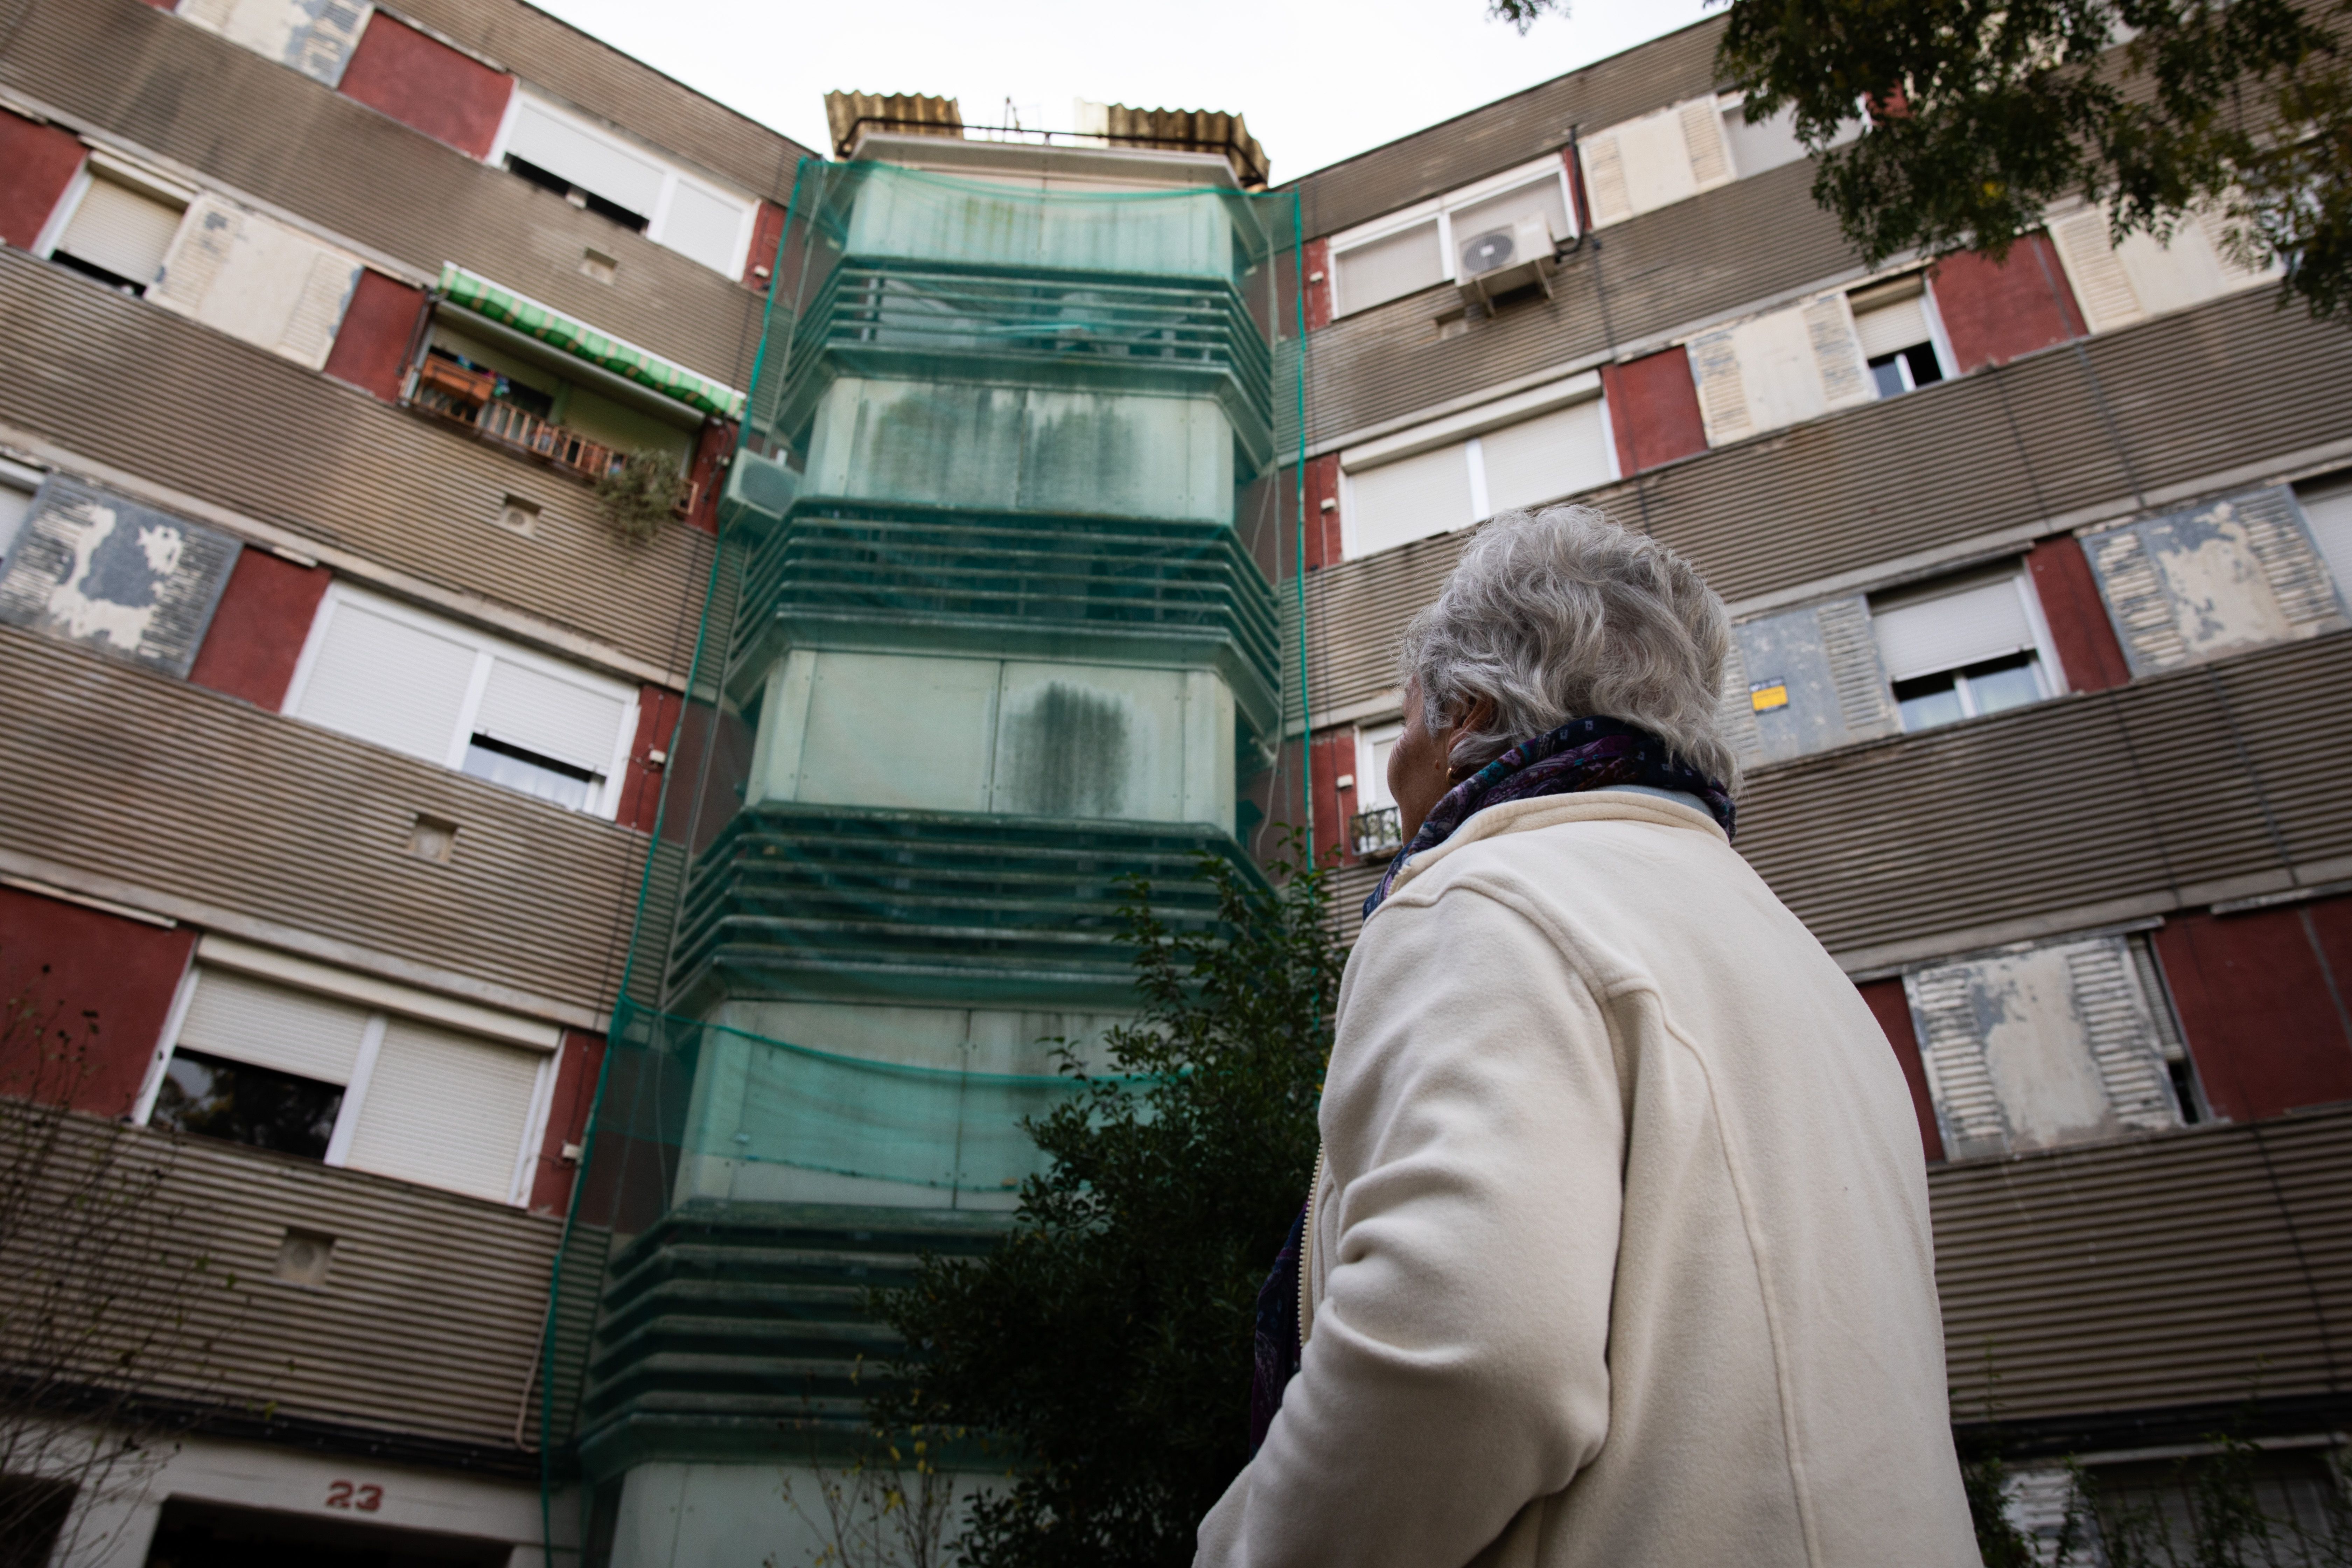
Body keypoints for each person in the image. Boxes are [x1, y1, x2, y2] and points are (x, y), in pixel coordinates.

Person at [1197, 506, 1977, 1567]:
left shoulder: (1485, 897)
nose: (1394, 774)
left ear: (1467, 707)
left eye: (1403, 728)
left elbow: (1472, 1354)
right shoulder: (1807, 969)